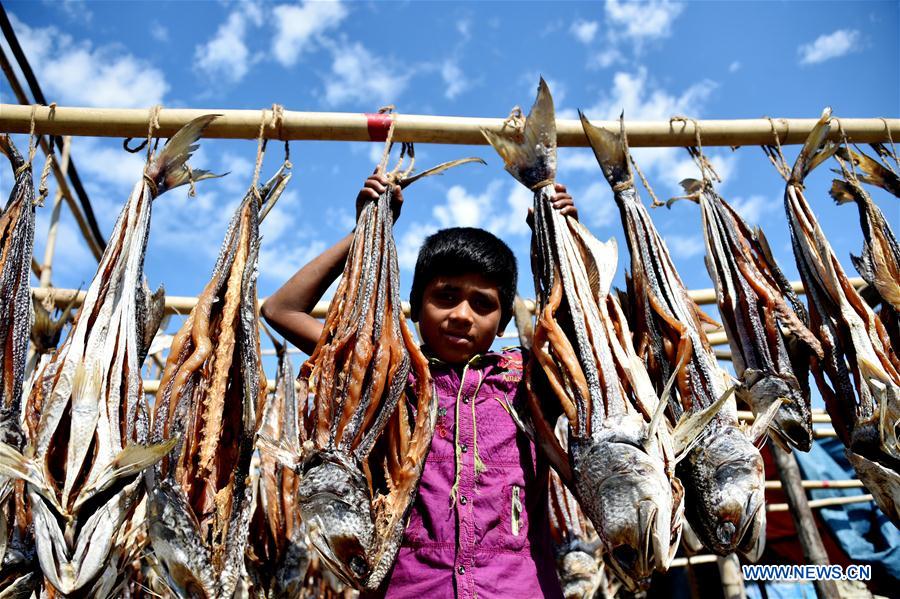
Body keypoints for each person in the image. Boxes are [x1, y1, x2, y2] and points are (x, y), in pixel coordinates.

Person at [262, 173, 578, 599]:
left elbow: (583, 335)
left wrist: (561, 238)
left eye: (482, 304)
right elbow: (282, 309)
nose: (462, 314)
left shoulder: (529, 380)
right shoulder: (389, 374)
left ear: (503, 322)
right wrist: (364, 234)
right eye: (446, 295)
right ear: (415, 304)